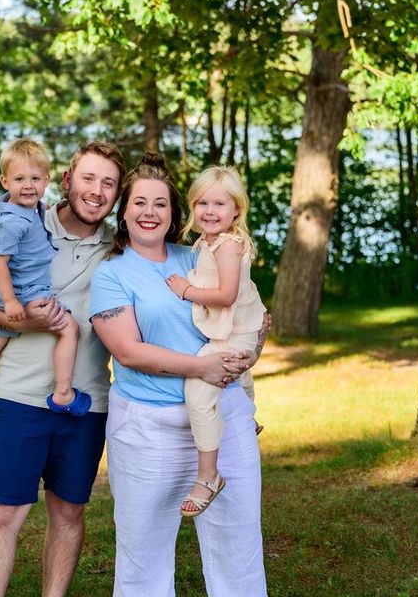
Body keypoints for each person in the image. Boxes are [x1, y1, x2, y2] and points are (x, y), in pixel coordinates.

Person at [89, 153, 268, 596]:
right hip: (150, 426)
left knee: (238, 540)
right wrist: (202, 367)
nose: (150, 212)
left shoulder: (203, 254)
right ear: (124, 211)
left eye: (160, 204)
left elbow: (246, 313)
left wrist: (254, 349)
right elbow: (128, 352)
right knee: (143, 550)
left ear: (173, 214)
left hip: (223, 416)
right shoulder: (111, 274)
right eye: (140, 203)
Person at [0, 140, 130, 597]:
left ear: (116, 195)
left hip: (86, 402)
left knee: (69, 513)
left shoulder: (121, 246)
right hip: (17, 396)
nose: (97, 191)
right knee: (2, 514)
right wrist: (19, 318)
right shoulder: (23, 221)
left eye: (108, 184)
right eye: (89, 179)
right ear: (68, 180)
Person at [0, 138, 89, 423]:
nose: (28, 186)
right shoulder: (12, 222)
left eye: (35, 179)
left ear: (47, 180)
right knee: (69, 329)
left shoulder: (28, 209)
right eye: (19, 179)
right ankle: (63, 393)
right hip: (24, 291)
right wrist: (10, 303)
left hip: (18, 289)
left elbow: (36, 212)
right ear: (4, 181)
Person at [163, 166, 267, 517]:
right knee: (238, 373)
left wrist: (185, 290)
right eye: (202, 203)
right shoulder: (206, 242)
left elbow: (225, 295)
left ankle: (208, 476)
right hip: (236, 328)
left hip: (233, 332)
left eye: (219, 204)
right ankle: (248, 417)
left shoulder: (228, 244)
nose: (209, 211)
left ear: (237, 209)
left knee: (198, 389)